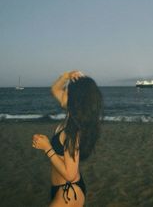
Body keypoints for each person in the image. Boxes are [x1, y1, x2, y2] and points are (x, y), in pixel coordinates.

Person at [32, 70, 103, 206]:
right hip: (60, 187)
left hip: (68, 191)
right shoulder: (71, 117)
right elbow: (55, 89)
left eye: (66, 91)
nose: (62, 92)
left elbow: (70, 174)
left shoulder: (73, 131)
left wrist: (47, 147)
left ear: (73, 98)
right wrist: (67, 76)